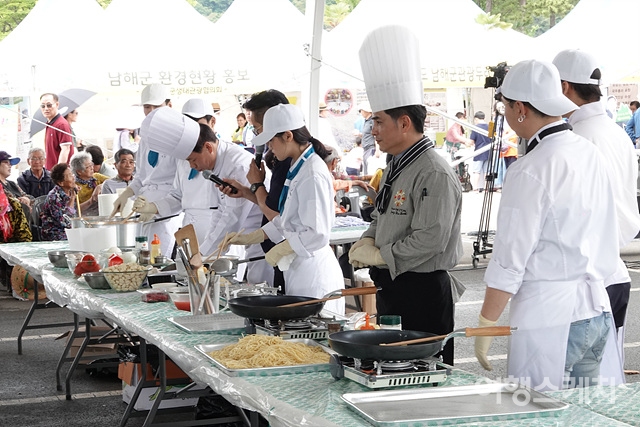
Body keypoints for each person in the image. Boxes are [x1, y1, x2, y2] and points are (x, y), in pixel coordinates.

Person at [474, 59, 620, 391]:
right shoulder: (588, 152)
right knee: (587, 413)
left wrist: (485, 323)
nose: (505, 114)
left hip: (551, 319)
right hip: (595, 310)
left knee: (543, 413)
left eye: (505, 106)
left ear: (521, 109)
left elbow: (510, 259)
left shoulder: (530, 168)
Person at [348, 25, 463, 365]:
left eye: (379, 122)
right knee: (389, 368)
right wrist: (366, 240)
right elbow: (381, 214)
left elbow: (431, 238)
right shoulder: (397, 164)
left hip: (422, 291)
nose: (373, 131)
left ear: (403, 123)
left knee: (423, 371)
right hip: (394, 286)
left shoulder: (433, 171)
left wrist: (381, 255)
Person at [553, 49, 640, 378]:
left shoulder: (575, 138)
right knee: (607, 383)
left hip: (587, 280)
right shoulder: (615, 131)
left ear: (563, 87)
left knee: (578, 388)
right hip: (614, 273)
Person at [218, 103, 345, 314]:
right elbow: (289, 220)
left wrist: (282, 248)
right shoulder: (297, 167)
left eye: (271, 141)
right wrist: (254, 236)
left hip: (314, 272)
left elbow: (317, 233)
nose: (270, 148)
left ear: (288, 136)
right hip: (298, 269)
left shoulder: (313, 172)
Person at [135, 107, 273, 285]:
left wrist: (203, 255)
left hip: (264, 240)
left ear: (208, 147)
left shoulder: (237, 164)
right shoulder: (214, 163)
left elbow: (232, 217)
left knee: (263, 289)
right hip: (234, 239)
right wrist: (201, 253)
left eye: (193, 160)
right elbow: (221, 210)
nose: (192, 166)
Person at [111, 83, 182, 257]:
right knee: (142, 257)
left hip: (167, 211)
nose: (151, 112)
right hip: (143, 205)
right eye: (147, 107)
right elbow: (141, 176)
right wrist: (126, 194)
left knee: (159, 260)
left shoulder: (179, 138)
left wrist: (155, 207)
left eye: (156, 107)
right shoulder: (145, 139)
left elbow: (181, 187)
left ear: (169, 105)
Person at [40, 163, 77, 241]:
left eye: (72, 174)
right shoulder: (53, 197)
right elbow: (64, 222)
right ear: (61, 183)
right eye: (70, 175)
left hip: (67, 229)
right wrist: (73, 198)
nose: (73, 177)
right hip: (55, 232)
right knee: (77, 238)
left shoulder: (70, 191)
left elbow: (76, 212)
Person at [41, 93, 74, 170]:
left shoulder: (61, 124)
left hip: (60, 173)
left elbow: (65, 149)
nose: (46, 108)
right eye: (43, 106)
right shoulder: (49, 124)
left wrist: (58, 171)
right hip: (50, 170)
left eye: (49, 105)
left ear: (57, 105)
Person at [69, 152, 106, 216]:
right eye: (88, 167)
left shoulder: (97, 177)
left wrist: (100, 186)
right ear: (79, 171)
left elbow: (115, 182)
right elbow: (74, 210)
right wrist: (91, 201)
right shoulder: (73, 186)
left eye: (91, 164)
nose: (92, 168)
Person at [469, 111, 492, 192]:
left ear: (476, 119)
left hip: (478, 151)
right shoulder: (491, 126)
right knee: (487, 171)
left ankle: (475, 187)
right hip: (489, 151)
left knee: (476, 171)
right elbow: (493, 138)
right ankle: (487, 187)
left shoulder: (475, 128)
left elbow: (472, 141)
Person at [358, 102, 377, 175]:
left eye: (361, 110)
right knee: (365, 171)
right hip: (365, 149)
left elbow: (376, 135)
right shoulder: (366, 122)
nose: (361, 112)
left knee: (370, 171)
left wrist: (377, 150)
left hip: (370, 148)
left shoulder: (372, 121)